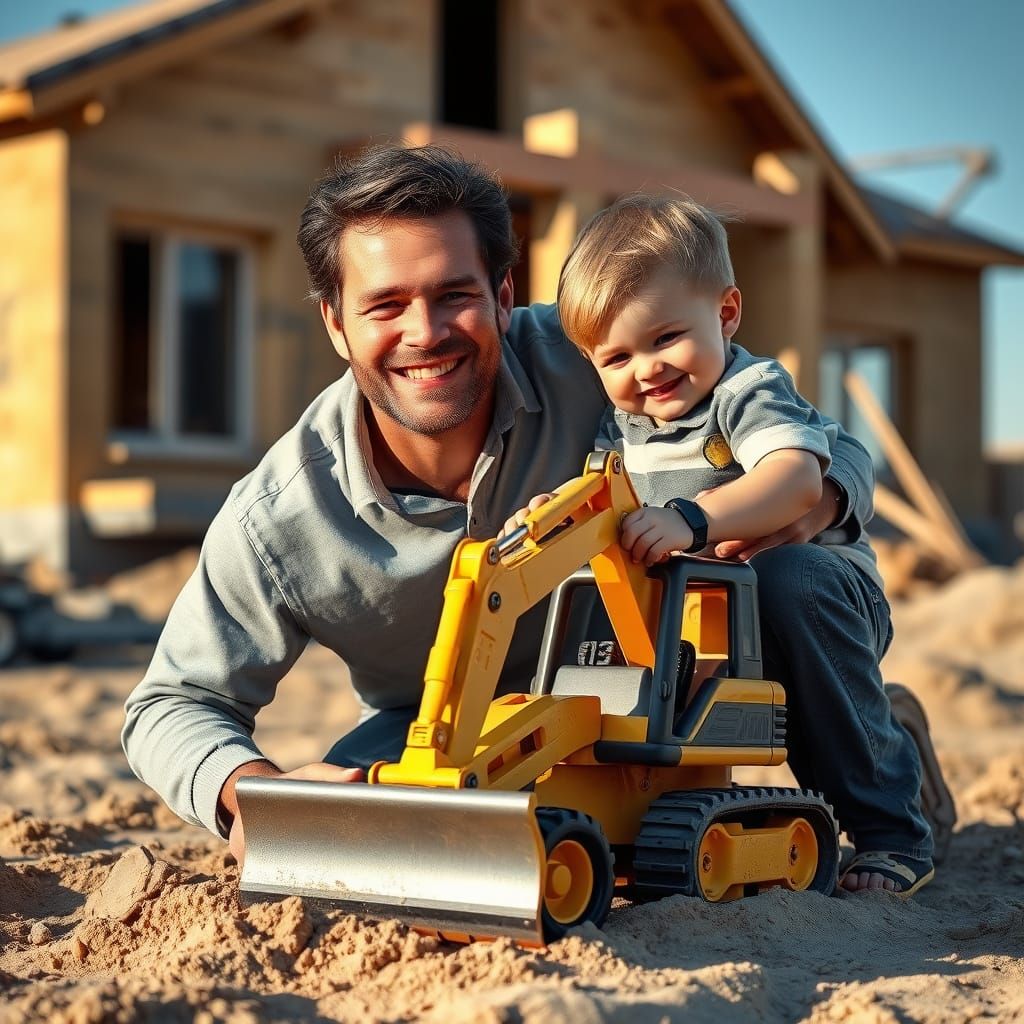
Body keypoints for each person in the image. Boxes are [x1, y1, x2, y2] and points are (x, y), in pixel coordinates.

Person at [121, 145, 884, 884]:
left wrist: (811, 507)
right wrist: (251, 792)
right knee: (367, 793)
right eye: (385, 305)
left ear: (505, 296)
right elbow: (172, 702)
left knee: (795, 586)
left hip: (663, 679)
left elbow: (824, 440)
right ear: (335, 323)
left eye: (454, 294)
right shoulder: (278, 518)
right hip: (456, 722)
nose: (425, 333)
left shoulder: (603, 351)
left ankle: (873, 760)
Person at [503, 194, 933, 896]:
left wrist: (693, 519)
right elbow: (603, 508)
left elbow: (795, 478)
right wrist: (557, 516)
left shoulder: (747, 389)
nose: (646, 370)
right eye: (616, 357)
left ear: (726, 314)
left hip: (821, 605)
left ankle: (893, 834)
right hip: (706, 631)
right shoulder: (622, 430)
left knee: (790, 576)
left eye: (666, 337)